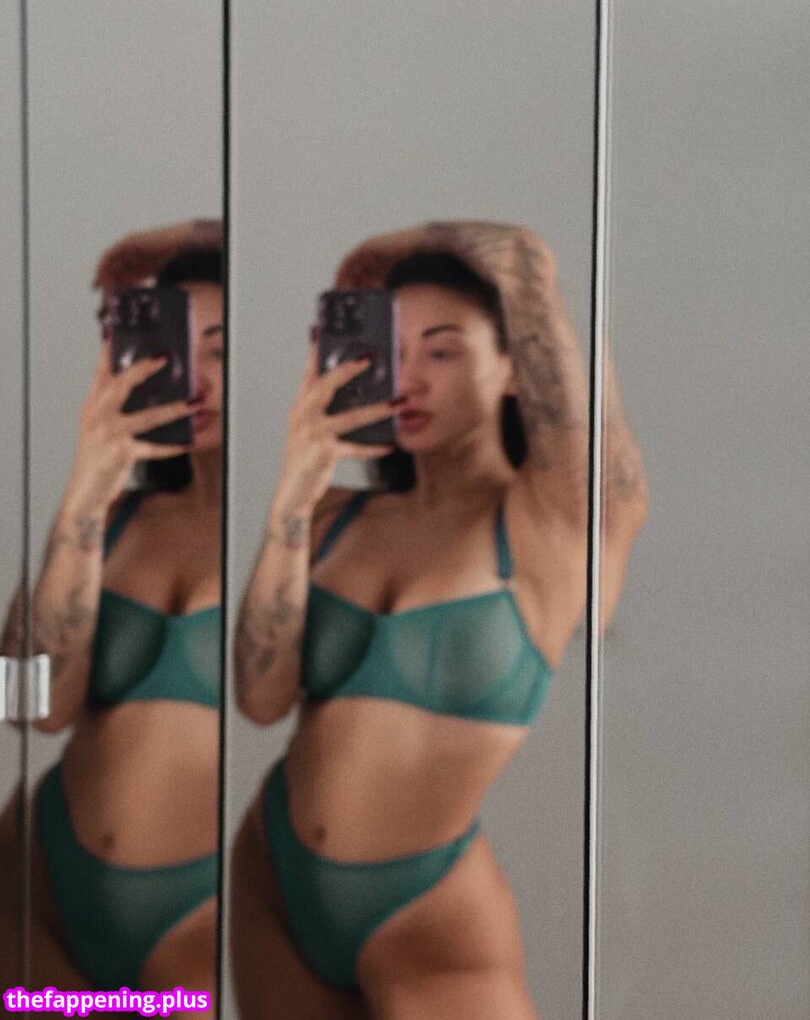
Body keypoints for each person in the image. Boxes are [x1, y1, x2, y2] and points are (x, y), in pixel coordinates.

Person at [230, 220, 648, 1019]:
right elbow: (259, 697)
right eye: (391, 351)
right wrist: (295, 487)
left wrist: (407, 246)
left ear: (515, 367)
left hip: (423, 915)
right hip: (273, 881)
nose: (407, 379)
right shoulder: (335, 517)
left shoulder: (551, 526)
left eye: (443, 351)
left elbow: (524, 263)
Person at [0, 219, 223, 1014]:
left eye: (222, 351)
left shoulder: (319, 526)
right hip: (35, 886)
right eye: (173, 351)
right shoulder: (113, 519)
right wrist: (87, 487)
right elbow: (24, 705)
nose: (194, 380)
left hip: (196, 918)